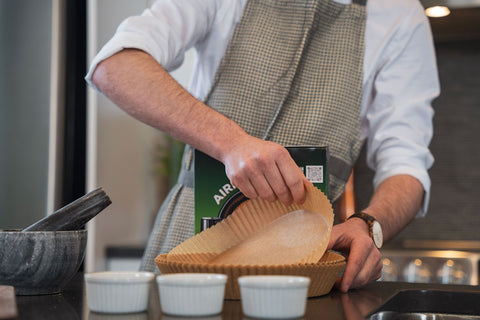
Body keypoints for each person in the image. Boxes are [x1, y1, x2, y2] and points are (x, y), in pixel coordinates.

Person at [86, 0, 440, 292]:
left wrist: (368, 224)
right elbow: (115, 66)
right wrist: (230, 143)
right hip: (190, 248)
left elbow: (406, 165)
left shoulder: (400, 15)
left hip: (307, 264)